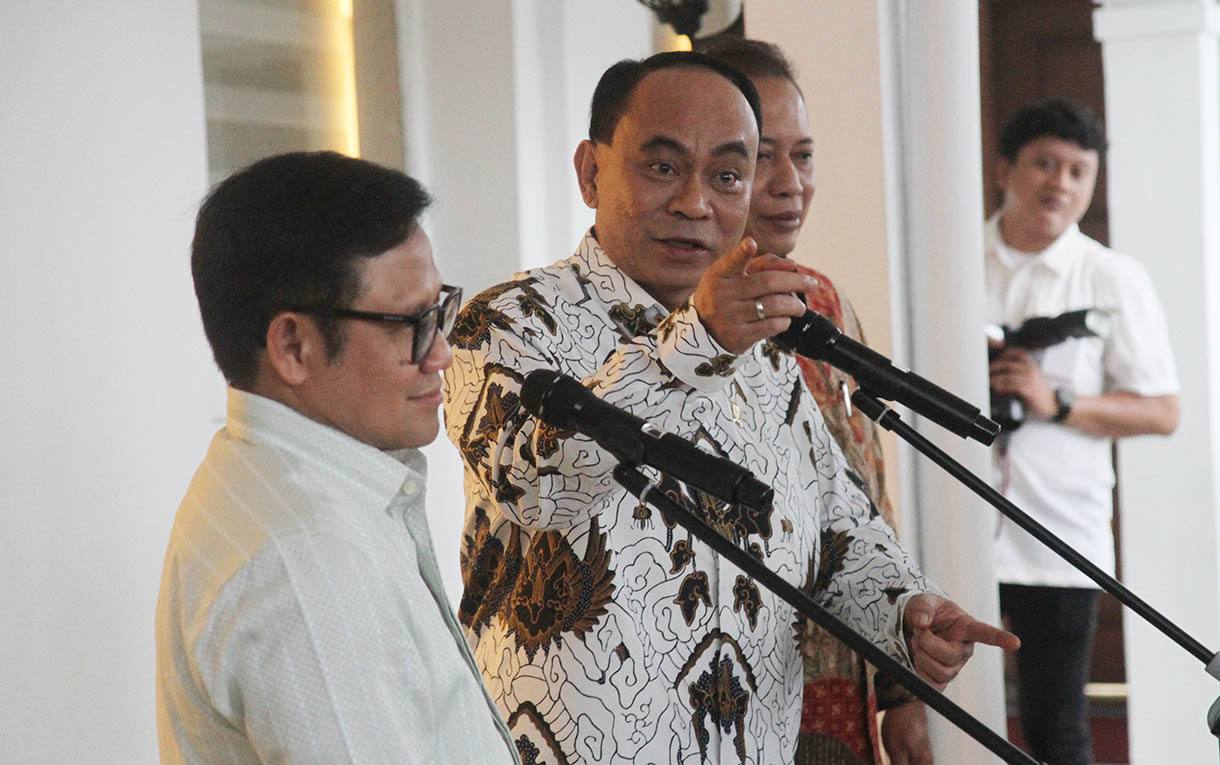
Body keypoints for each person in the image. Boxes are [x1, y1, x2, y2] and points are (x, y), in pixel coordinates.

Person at [444, 51, 1017, 764]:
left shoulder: (766, 354)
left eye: (726, 175)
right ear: (592, 172)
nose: (695, 203)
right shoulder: (508, 323)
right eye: (662, 167)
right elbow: (538, 485)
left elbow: (838, 531)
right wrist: (698, 344)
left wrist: (907, 610)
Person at [155, 151, 518, 764]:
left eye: (440, 310)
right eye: (411, 323)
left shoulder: (269, 485)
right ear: (293, 345)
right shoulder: (311, 563)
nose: (442, 356)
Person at [698, 36, 932, 765]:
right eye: (763, 155)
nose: (788, 182)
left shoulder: (821, 301)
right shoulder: (661, 325)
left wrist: (905, 690)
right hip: (728, 696)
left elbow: (868, 504)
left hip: (841, 684)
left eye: (802, 156)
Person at [986, 100, 1180, 764]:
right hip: (954, 519)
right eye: (1044, 163)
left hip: (1058, 533)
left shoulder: (1113, 278)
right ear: (1003, 168)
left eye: (1078, 171)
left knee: (1056, 726)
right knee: (945, 715)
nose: (1059, 184)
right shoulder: (951, 261)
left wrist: (1057, 402)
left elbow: (1161, 410)